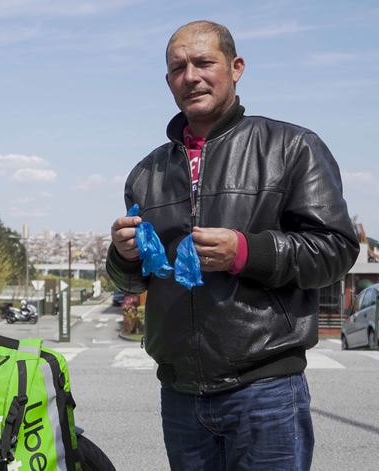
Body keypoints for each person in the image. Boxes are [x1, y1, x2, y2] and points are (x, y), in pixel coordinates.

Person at [107, 20, 359, 470]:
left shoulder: (292, 147)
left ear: (236, 67)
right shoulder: (146, 173)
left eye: (204, 62)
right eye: (178, 68)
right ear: (168, 81)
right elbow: (136, 279)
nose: (191, 76)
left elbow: (335, 249)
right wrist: (122, 256)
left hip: (266, 390)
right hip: (180, 394)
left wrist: (246, 252)